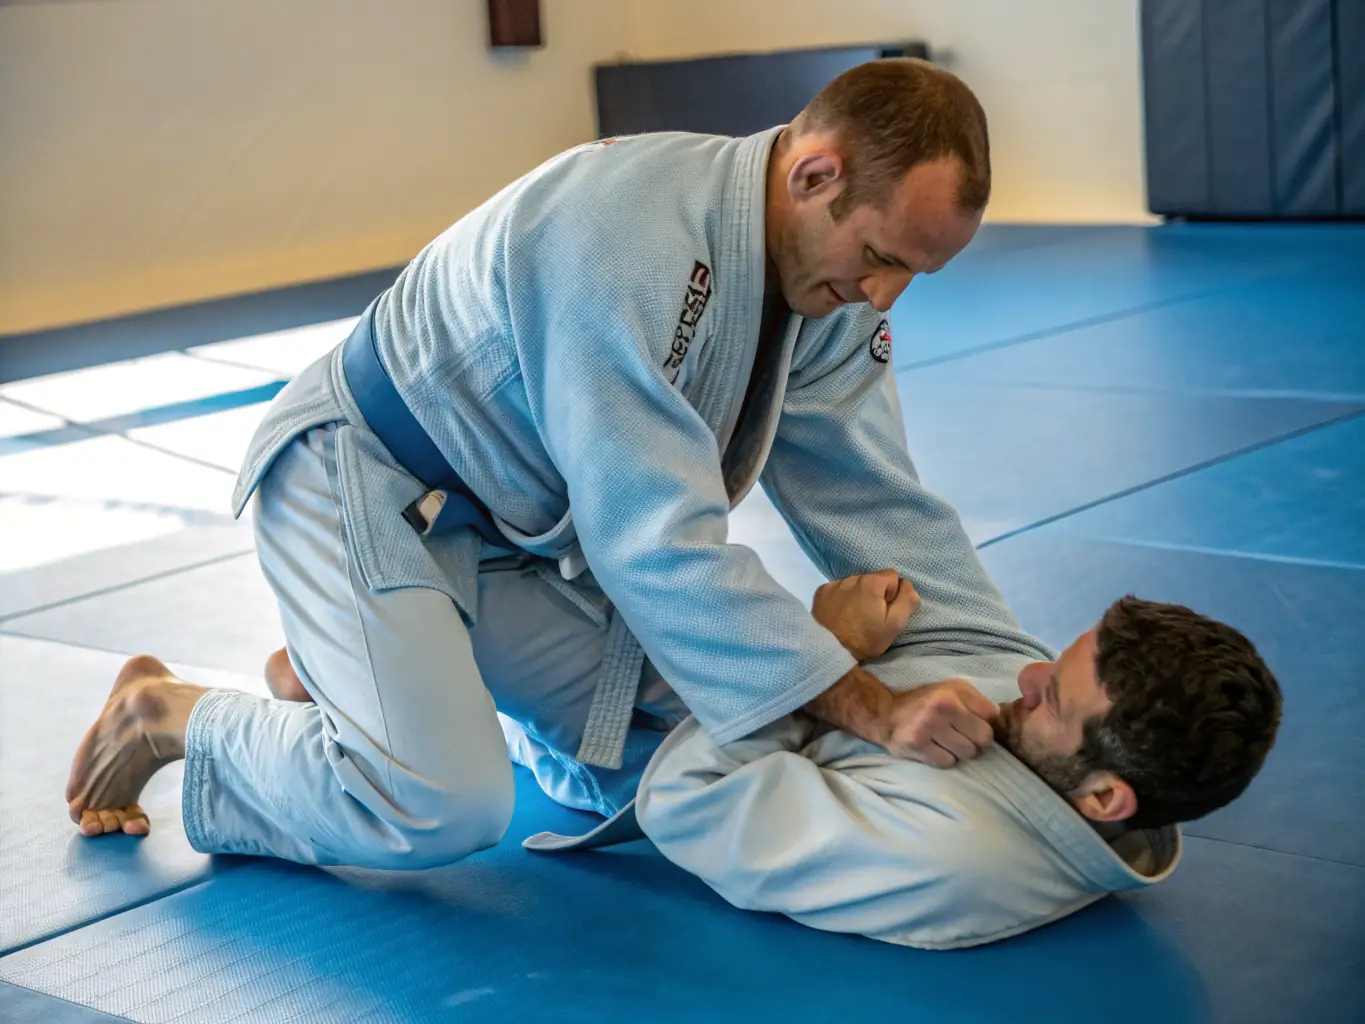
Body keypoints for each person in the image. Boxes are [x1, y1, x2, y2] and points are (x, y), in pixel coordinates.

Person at [65, 58, 1058, 863]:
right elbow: (655, 544)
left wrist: (1026, 693)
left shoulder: (826, 281)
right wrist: (873, 707)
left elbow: (883, 505)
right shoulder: (628, 235)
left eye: (913, 277)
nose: (884, 297)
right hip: (363, 482)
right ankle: (178, 715)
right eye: (882, 259)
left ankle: (364, 671)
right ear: (813, 176)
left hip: (516, 536)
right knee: (435, 806)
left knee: (688, 750)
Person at [534, 572, 1284, 950]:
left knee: (491, 561)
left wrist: (827, 659)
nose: (1025, 677)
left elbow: (685, 799)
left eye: (1050, 697)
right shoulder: (1069, 761)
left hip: (645, 733)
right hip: (746, 669)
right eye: (1052, 664)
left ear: (1101, 799)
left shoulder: (947, 857)